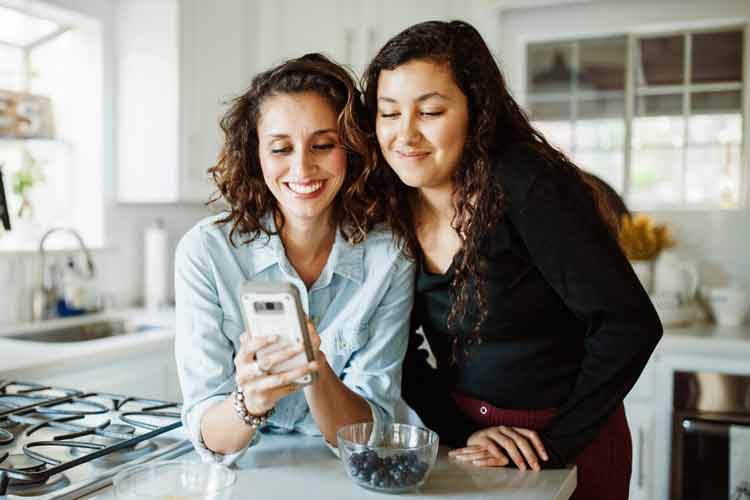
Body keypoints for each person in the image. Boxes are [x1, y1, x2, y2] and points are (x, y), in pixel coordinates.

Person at [362, 21, 662, 500]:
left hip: (568, 439)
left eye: (431, 111)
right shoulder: (389, 205)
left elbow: (630, 323)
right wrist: (461, 430)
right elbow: (399, 347)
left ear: (475, 110)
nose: (405, 134)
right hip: (471, 446)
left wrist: (556, 445)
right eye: (389, 113)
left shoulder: (524, 184)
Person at [174, 53, 414, 464]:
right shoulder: (206, 252)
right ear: (257, 156)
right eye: (281, 148)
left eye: (323, 145)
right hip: (245, 475)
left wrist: (313, 368)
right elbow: (209, 432)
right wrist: (249, 400)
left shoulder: (390, 257)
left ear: (352, 150)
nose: (302, 168)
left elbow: (369, 432)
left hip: (346, 476)